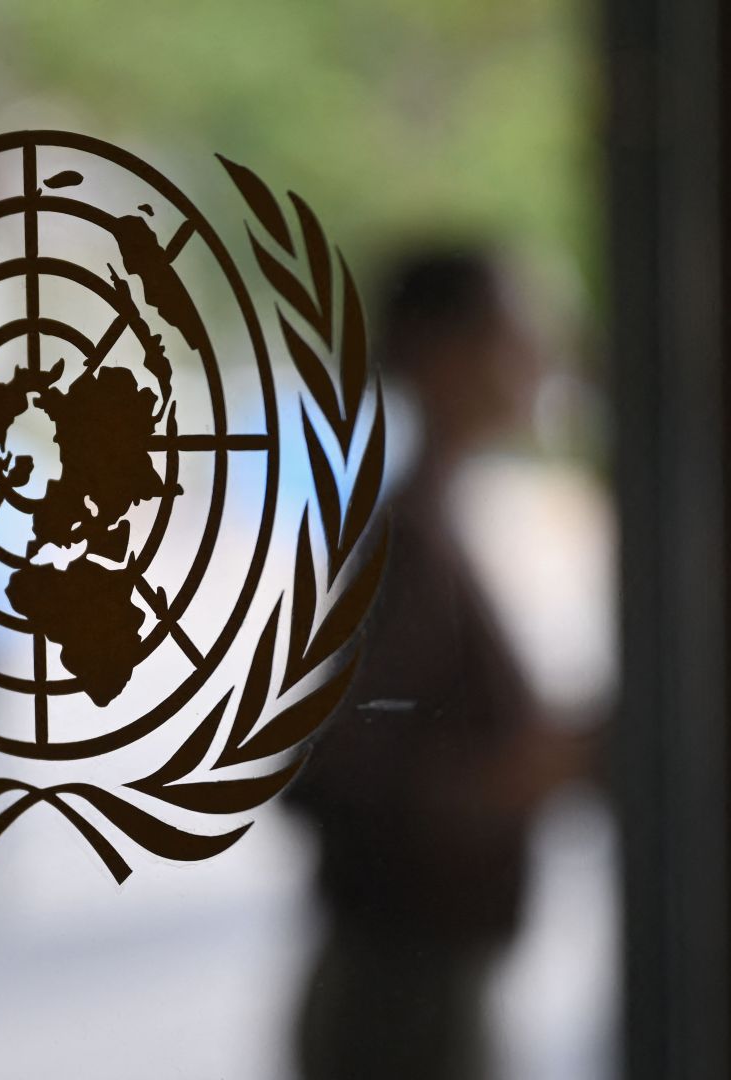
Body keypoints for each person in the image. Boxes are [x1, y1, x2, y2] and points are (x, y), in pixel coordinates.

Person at [289, 247, 586, 1080]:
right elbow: (332, 769)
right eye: (512, 333)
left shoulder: (423, 526)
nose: (536, 357)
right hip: (402, 995)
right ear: (443, 353)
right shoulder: (411, 542)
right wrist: (511, 774)